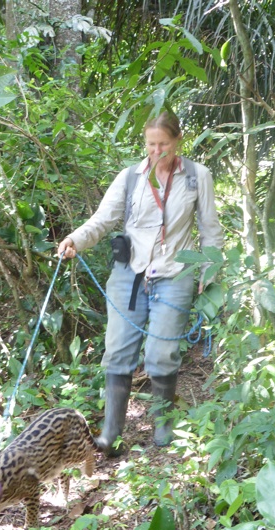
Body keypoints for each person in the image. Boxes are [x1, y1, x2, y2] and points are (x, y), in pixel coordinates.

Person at [57, 111, 223, 455]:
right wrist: (75, 239)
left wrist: (209, 277)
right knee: (117, 352)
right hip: (129, 275)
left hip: (174, 274)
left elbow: (211, 232)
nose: (157, 150)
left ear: (178, 141)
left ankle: (163, 430)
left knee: (161, 354)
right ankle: (110, 434)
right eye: (151, 144)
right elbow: (103, 219)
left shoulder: (197, 176)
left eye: (163, 144)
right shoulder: (130, 177)